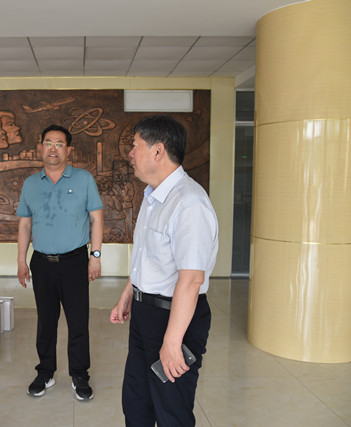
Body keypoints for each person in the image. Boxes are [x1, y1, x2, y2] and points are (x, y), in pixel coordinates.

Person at [110, 114, 218, 426]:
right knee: (136, 404)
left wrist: (172, 342)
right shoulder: (153, 196)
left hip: (175, 318)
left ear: (157, 151)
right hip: (146, 314)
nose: (130, 153)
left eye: (135, 146)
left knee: (171, 411)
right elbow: (148, 257)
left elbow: (191, 279)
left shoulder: (189, 203)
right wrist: (128, 295)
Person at [16, 124, 104, 401]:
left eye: (59, 144)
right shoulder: (31, 184)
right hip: (41, 263)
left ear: (69, 150)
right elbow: (25, 224)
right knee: (45, 321)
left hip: (74, 261)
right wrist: (21, 260)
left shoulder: (83, 179)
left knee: (78, 321)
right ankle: (45, 372)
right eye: (48, 143)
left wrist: (95, 256)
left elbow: (96, 218)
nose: (53, 148)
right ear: (40, 147)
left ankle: (80, 374)